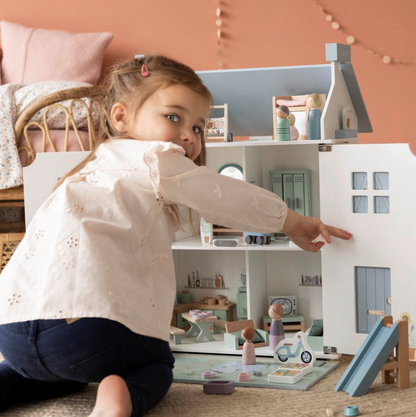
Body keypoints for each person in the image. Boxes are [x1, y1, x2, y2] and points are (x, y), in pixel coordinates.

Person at [0, 54, 352, 417]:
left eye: (199, 127)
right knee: (156, 362)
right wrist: (291, 222)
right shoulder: (155, 157)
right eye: (173, 117)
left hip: (11, 328)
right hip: (86, 330)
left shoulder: (89, 168)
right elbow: (228, 196)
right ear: (120, 117)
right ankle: (120, 399)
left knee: (61, 371)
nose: (189, 134)